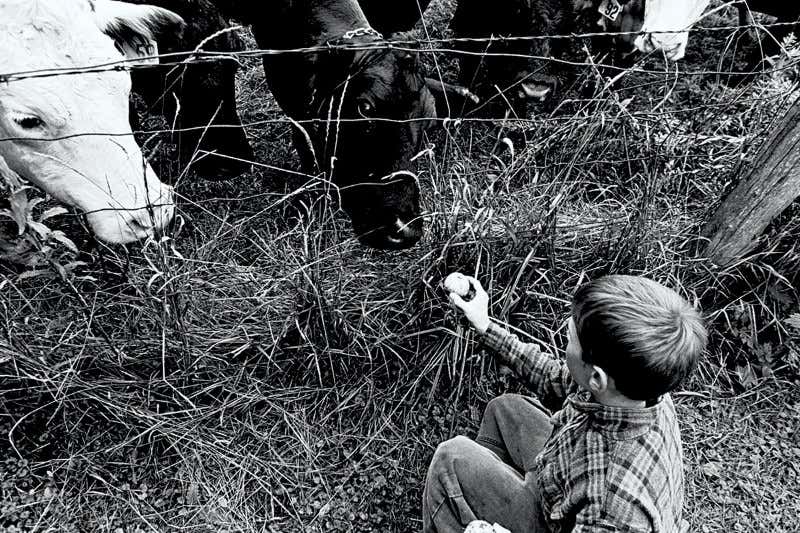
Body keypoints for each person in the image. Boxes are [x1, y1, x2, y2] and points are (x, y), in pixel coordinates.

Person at [423, 274, 707, 533]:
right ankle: (485, 498)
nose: (564, 340)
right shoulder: (638, 388)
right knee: (505, 410)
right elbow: (553, 377)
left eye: (570, 339)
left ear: (596, 378)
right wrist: (485, 326)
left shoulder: (613, 504)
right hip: (561, 486)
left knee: (450, 458)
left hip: (570, 520)